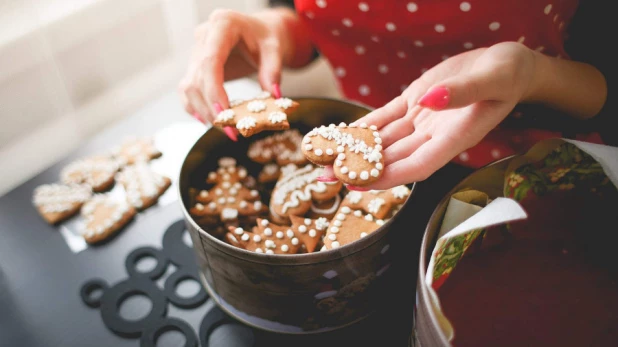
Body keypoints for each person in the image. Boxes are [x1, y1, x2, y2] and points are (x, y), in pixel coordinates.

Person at [179, 0, 614, 190]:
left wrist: (533, 73)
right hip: (390, 149)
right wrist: (272, 32)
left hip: (549, 172)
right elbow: (315, 23)